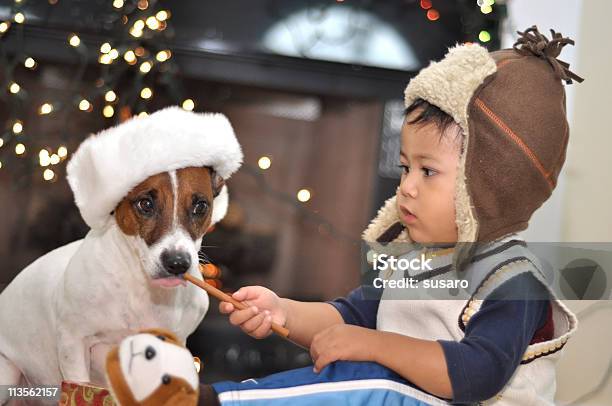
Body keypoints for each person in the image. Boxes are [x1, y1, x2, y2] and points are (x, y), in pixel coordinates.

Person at [201, 26, 583, 405]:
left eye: (428, 171)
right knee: (356, 379)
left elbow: (476, 374)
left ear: (491, 186)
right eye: (405, 168)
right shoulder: (414, 261)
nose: (408, 187)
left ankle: (215, 402)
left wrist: (375, 346)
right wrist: (282, 311)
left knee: (374, 383)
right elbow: (349, 317)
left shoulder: (513, 280)